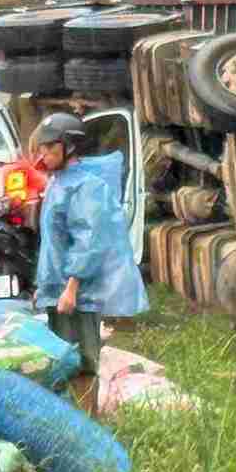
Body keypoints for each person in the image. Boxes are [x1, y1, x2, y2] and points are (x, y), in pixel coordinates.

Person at [30, 112, 149, 376]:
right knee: (61, 360)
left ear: (69, 147)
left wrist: (72, 288)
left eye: (50, 147)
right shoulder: (58, 183)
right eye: (42, 147)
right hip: (58, 289)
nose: (44, 153)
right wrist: (45, 286)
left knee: (83, 362)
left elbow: (89, 241)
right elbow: (54, 243)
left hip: (79, 295)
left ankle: (87, 410)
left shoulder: (86, 187)